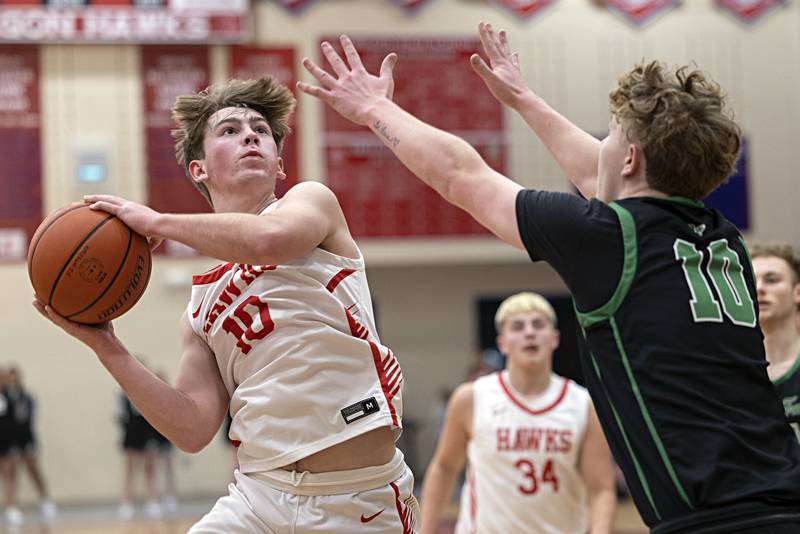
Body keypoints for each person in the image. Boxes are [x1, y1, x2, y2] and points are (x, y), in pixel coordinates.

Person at [297, 26, 800, 533]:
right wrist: (523, 99)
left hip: (722, 522)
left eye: (611, 135)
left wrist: (374, 110)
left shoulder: (611, 240)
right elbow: (604, 180)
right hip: (780, 497)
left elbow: (462, 176)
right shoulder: (721, 238)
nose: (599, 146)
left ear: (630, 158)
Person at [33, 76, 416, 533]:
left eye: (261, 130)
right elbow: (192, 429)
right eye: (229, 130)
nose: (251, 135)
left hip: (358, 498)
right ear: (199, 170)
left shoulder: (310, 203)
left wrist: (158, 220)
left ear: (278, 164)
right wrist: (107, 346)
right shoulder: (200, 308)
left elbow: (271, 240)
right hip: (258, 499)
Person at [420, 292, 616, 534]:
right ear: (502, 343)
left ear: (554, 338)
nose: (529, 332)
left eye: (538, 324)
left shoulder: (582, 403)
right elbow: (444, 468)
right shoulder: (472, 398)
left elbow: (601, 488)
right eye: (518, 326)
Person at [752, 244, 800, 442]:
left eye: (772, 280)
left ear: (797, 293)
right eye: (751, 281)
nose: (760, 288)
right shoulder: (733, 371)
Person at [4, 367, 58, 523]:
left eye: (15, 378)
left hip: (26, 438)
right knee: (9, 472)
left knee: (33, 469)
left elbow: (28, 419)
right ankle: (12, 506)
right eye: (9, 378)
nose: (12, 381)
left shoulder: (26, 397)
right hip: (9, 440)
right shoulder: (4, 398)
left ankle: (45, 500)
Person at [116, 390, 161, 520]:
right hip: (130, 435)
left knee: (149, 469)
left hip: (146, 435)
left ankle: (152, 500)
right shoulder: (121, 396)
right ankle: (126, 502)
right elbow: (118, 416)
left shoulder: (149, 393)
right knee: (129, 469)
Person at [0, 367, 23, 527]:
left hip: (7, 442)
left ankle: (11, 506)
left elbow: (15, 421)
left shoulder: (10, 396)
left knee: (9, 474)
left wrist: (16, 442)